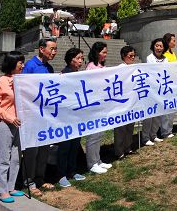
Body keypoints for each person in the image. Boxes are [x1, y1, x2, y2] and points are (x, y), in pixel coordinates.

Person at [22, 38, 58, 196]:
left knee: (44, 149)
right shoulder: (30, 66)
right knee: (32, 150)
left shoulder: (49, 68)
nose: (54, 52)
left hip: (45, 116)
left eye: (56, 49)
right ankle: (28, 181)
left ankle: (40, 178)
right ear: (41, 49)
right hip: (31, 116)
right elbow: (22, 88)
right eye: (52, 49)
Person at [0, 51, 25, 203]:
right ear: (12, 64)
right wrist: (10, 118)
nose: (23, 66)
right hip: (6, 124)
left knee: (16, 158)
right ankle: (1, 190)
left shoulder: (23, 80)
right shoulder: (0, 82)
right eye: (20, 63)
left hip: (20, 125)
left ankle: (11, 186)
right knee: (4, 158)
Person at [57, 48, 86, 188]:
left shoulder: (77, 74)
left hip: (76, 115)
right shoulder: (64, 74)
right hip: (65, 117)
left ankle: (72, 171)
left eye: (82, 58)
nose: (81, 61)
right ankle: (61, 174)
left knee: (75, 144)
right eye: (79, 58)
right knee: (65, 146)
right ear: (71, 59)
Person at [85, 41, 113, 174]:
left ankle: (97, 160)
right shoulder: (90, 67)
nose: (105, 55)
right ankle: (91, 163)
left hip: (103, 103)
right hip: (94, 105)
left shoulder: (101, 65)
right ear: (97, 52)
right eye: (103, 52)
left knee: (100, 134)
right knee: (93, 135)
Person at [142, 38, 167, 146]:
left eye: (161, 46)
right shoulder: (149, 58)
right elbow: (153, 71)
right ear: (153, 46)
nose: (159, 48)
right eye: (157, 45)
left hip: (161, 89)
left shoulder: (165, 59)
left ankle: (154, 135)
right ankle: (145, 137)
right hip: (151, 90)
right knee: (149, 115)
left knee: (158, 114)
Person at [114, 46, 137, 160]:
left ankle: (127, 147)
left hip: (132, 101)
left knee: (130, 127)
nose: (133, 58)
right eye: (130, 56)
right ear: (124, 56)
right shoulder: (120, 68)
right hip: (122, 102)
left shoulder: (134, 67)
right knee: (121, 128)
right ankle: (119, 151)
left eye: (134, 55)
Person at [160, 33, 177, 139]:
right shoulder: (165, 54)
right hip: (166, 84)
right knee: (166, 109)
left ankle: (169, 130)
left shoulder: (173, 53)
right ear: (168, 41)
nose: (175, 42)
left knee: (172, 108)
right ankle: (164, 131)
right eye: (173, 40)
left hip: (174, 83)